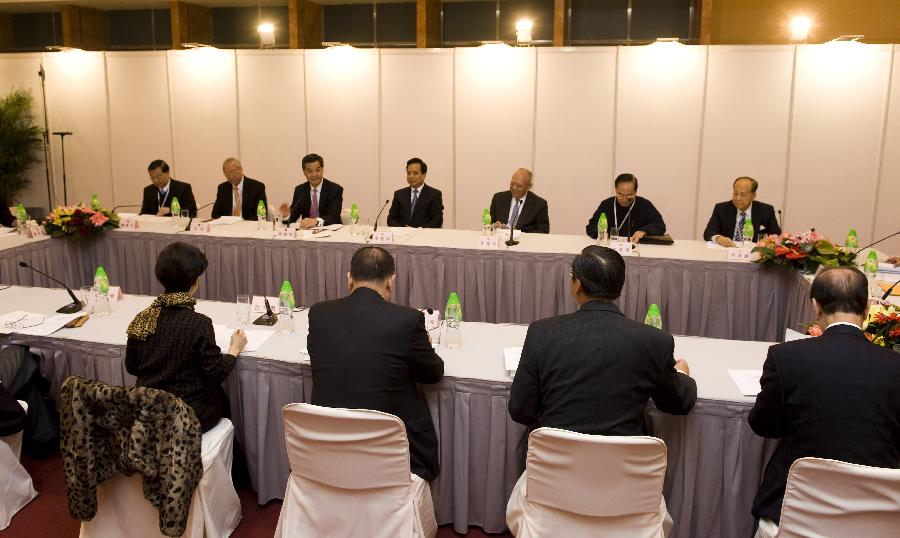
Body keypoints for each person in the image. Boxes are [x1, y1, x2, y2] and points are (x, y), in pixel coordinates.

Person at [748, 266, 900, 532]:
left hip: (792, 517)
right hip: (878, 524)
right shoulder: (895, 366)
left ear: (815, 305)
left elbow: (764, 425)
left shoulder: (786, 357)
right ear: (866, 307)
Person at [509, 245, 696, 435]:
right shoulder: (655, 341)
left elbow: (521, 411)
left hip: (553, 461)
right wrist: (681, 374)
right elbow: (679, 403)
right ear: (620, 287)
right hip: (623, 462)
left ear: (577, 284)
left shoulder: (542, 333)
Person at [307, 246, 444, 481]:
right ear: (391, 281)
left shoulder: (319, 314)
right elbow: (433, 373)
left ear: (349, 279)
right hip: (392, 453)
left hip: (329, 447)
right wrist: (423, 344)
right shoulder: (408, 319)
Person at [125, 242, 246, 433]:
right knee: (219, 397)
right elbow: (216, 374)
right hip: (186, 416)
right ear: (195, 281)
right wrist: (234, 350)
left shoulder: (143, 317)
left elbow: (132, 367)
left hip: (147, 412)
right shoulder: (199, 323)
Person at [585, 173, 666, 243]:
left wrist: (644, 231)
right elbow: (591, 226)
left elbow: (659, 225)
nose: (624, 199)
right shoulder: (606, 204)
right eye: (620, 194)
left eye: (629, 195)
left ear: (635, 192)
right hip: (610, 247)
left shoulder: (644, 205)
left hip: (636, 247)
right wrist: (600, 233)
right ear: (616, 190)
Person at [703, 176, 780, 246]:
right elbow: (708, 233)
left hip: (753, 255)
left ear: (753, 196)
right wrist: (719, 238)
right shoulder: (721, 208)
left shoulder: (766, 211)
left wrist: (768, 240)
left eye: (743, 195)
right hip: (727, 252)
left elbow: (776, 235)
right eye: (735, 193)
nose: (738, 198)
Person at [288, 153, 343, 228]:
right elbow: (293, 216)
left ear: (322, 169)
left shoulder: (335, 189)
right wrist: (286, 215)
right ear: (304, 172)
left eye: (317, 170)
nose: (314, 174)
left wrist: (316, 221)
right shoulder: (300, 190)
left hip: (330, 232)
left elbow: (333, 216)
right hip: (307, 233)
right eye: (310, 171)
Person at [387, 157, 443, 228]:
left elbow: (437, 220)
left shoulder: (434, 194)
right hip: (402, 235)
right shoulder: (399, 194)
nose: (411, 176)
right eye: (408, 173)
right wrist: (404, 229)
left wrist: (417, 230)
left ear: (424, 174)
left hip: (424, 236)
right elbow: (391, 219)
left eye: (415, 173)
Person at [489, 168, 550, 234]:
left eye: (519, 186)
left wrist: (519, 233)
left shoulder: (539, 204)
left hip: (525, 242)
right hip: (501, 239)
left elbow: (543, 231)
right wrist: (494, 226)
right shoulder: (498, 198)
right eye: (512, 184)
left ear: (529, 186)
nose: (514, 187)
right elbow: (490, 223)